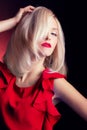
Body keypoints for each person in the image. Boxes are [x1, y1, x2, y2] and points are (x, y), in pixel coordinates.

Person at [0, 5, 87, 130]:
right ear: (26, 32)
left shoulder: (53, 83)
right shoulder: (4, 75)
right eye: (42, 30)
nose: (49, 37)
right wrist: (14, 21)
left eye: (53, 33)